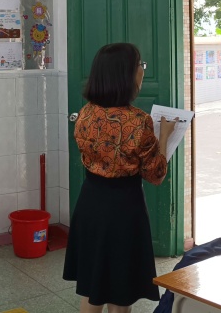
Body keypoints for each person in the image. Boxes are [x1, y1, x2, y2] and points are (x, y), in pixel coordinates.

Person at [62, 43, 177, 313]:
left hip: (90, 202)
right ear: (126, 74)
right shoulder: (138, 121)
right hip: (124, 207)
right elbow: (156, 174)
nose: (143, 71)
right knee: (120, 289)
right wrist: (164, 136)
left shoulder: (86, 113)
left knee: (93, 285)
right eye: (140, 65)